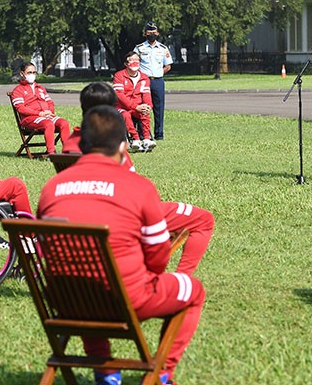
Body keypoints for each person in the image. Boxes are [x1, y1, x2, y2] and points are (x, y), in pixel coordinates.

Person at [39, 105, 205, 385]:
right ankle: (162, 372)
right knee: (194, 291)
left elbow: (47, 250)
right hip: (127, 299)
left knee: (86, 280)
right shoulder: (137, 186)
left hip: (67, 299)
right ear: (122, 146)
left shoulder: (52, 187)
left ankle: (105, 373)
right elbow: (158, 258)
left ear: (85, 144)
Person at [64, 82, 214, 275]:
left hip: (83, 211)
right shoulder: (110, 145)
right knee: (203, 219)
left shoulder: (70, 144)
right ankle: (182, 277)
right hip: (125, 214)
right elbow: (132, 184)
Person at [10, 62, 70, 154]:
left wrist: (49, 112)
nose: (32, 75)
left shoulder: (40, 88)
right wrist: (39, 114)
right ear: (22, 74)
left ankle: (68, 152)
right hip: (30, 119)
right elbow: (21, 108)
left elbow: (50, 102)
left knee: (64, 123)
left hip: (46, 115)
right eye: (29, 73)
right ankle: (52, 153)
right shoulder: (18, 90)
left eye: (34, 72)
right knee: (48, 124)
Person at [134, 21, 172, 141]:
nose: (152, 34)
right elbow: (134, 63)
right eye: (149, 32)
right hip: (143, 81)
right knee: (143, 107)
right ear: (145, 34)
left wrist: (160, 73)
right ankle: (143, 133)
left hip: (158, 81)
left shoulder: (163, 48)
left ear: (158, 33)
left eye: (154, 32)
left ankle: (159, 134)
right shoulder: (139, 48)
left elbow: (168, 65)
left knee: (159, 108)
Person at [113, 51, 155, 151]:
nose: (134, 62)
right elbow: (120, 96)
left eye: (137, 60)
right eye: (131, 60)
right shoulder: (119, 76)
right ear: (126, 64)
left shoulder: (144, 78)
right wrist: (135, 106)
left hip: (138, 106)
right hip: (121, 107)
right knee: (126, 115)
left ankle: (146, 139)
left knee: (145, 112)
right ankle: (135, 139)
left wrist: (148, 106)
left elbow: (146, 94)